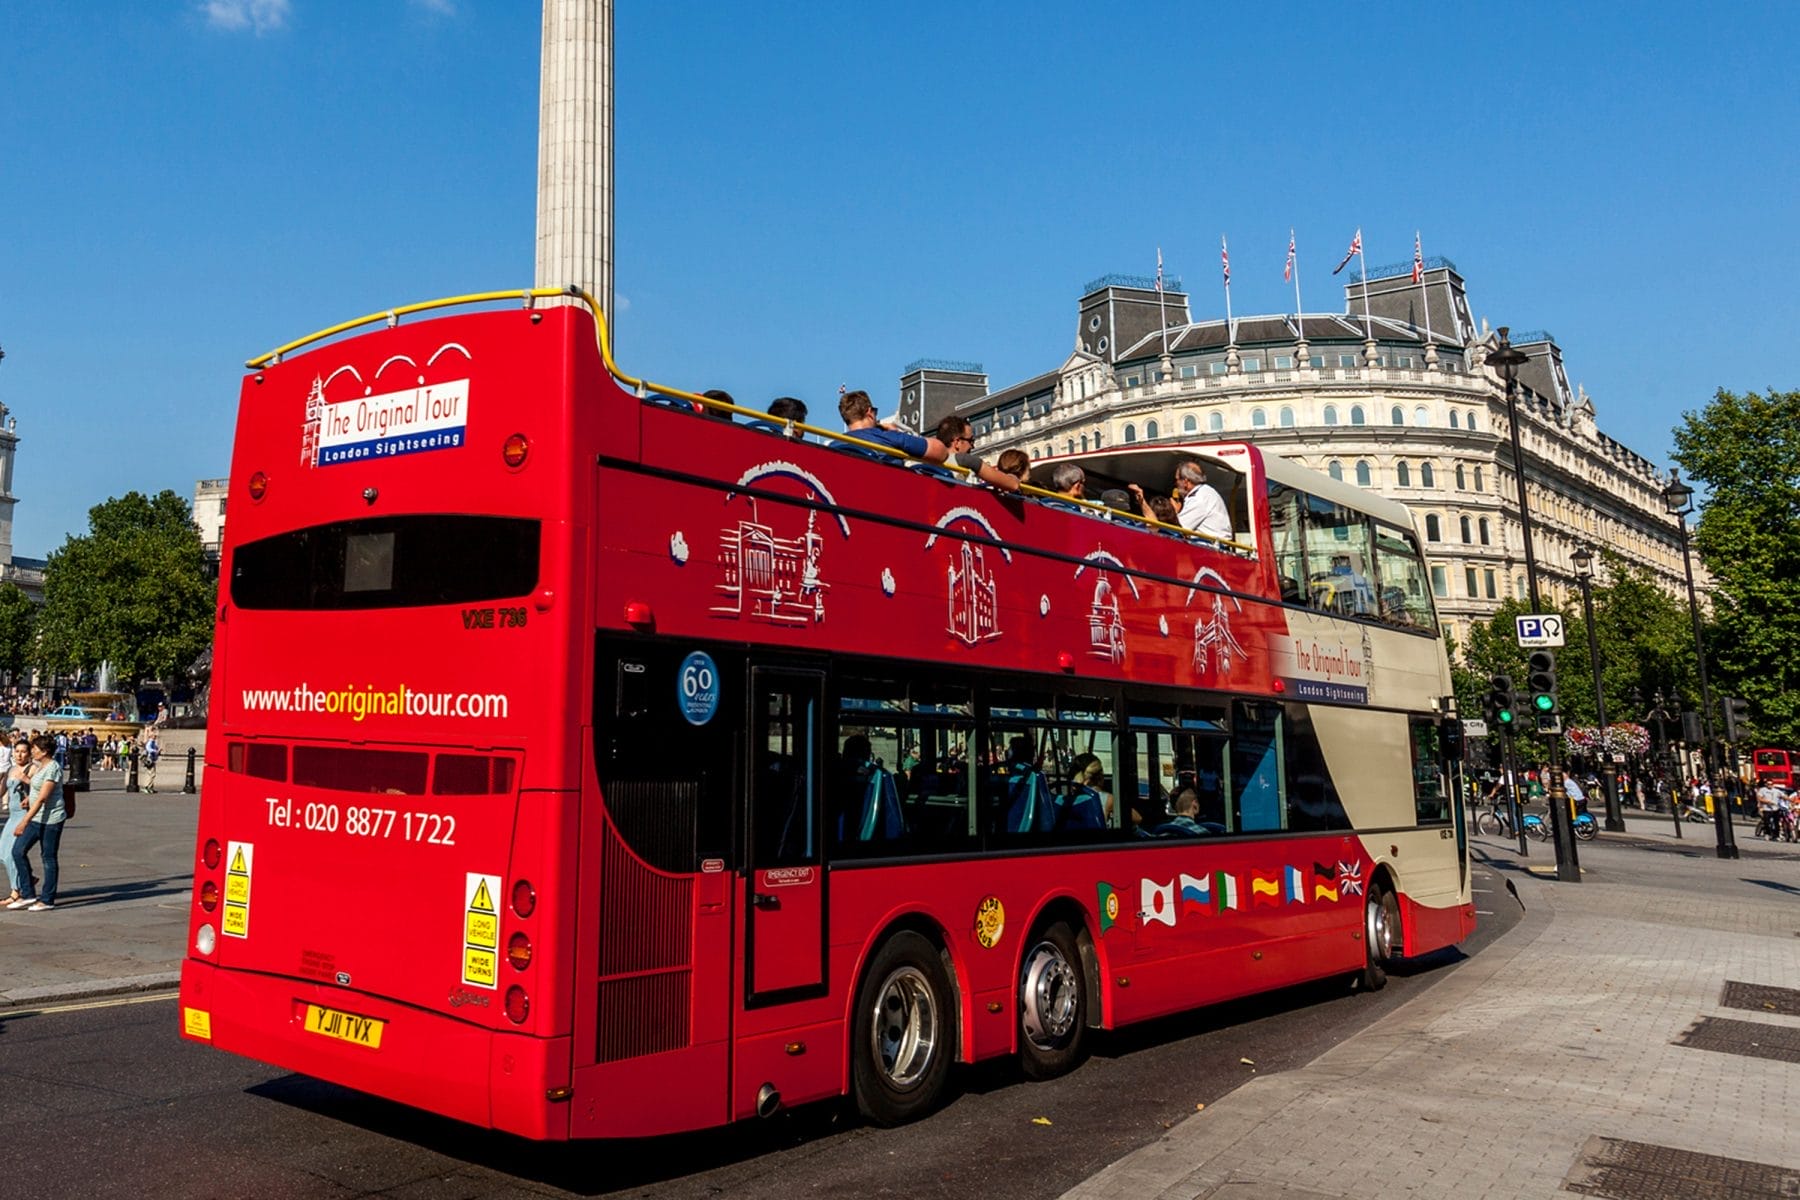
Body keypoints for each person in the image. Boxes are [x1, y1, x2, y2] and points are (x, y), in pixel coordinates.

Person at [8, 734, 67, 911]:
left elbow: (43, 797)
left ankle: (48, 899)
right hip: (36, 817)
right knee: (17, 851)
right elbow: (37, 789)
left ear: (45, 751)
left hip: (51, 819)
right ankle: (28, 894)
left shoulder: (53, 768)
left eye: (35, 749)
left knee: (48, 857)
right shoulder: (41, 767)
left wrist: (23, 822)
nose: (32, 751)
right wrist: (28, 798)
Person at [837, 390, 948, 463]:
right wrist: (898, 433)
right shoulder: (888, 437)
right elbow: (941, 452)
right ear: (869, 412)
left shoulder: (834, 445)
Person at [933, 416, 1022, 492]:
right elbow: (1012, 485)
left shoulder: (926, 460)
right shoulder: (964, 460)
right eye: (971, 441)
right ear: (957, 442)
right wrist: (1012, 478)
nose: (973, 446)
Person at [0, 740, 32, 905]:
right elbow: (2, 791)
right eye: (17, 751)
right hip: (12, 815)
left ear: (29, 753)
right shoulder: (11, 769)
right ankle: (27, 877)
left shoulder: (32, 768)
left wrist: (26, 780)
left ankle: (16, 892)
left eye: (23, 751)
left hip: (24, 816)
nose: (19, 754)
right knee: (1, 853)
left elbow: (42, 788)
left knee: (11, 853)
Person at [1173, 461, 1233, 541]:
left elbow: (1179, 528)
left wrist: (1174, 512)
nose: (1175, 483)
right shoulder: (1206, 492)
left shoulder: (1198, 497)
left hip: (1208, 546)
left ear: (1185, 482)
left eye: (1177, 480)